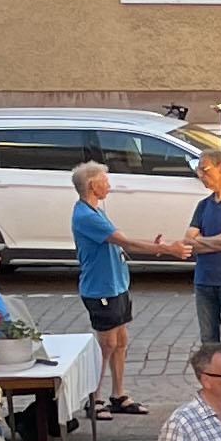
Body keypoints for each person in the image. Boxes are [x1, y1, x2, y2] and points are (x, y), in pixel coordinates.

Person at [70, 160, 181, 415]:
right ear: (92, 185)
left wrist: (154, 246)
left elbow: (120, 242)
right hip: (100, 289)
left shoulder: (96, 210)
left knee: (120, 341)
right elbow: (125, 242)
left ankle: (118, 395)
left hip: (116, 285)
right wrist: (165, 249)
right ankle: (94, 399)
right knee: (106, 344)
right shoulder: (86, 216)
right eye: (105, 181)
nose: (109, 185)